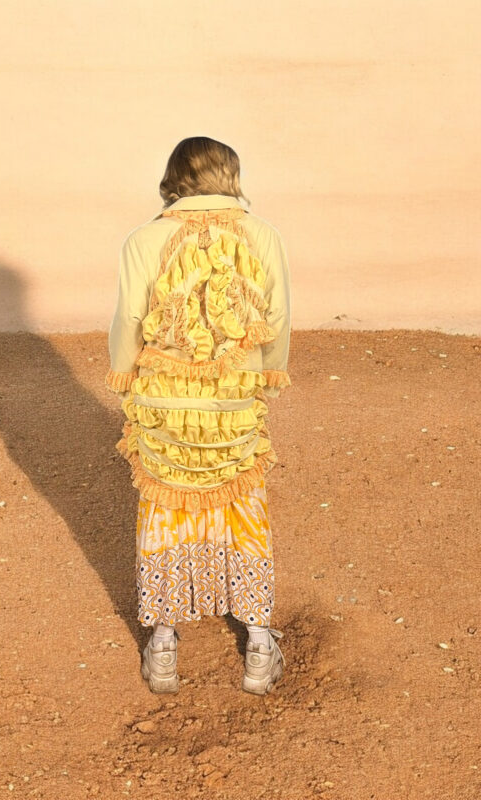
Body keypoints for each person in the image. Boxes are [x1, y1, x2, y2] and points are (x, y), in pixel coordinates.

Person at [105, 136, 291, 695]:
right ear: (230, 175)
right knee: (243, 506)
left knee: (165, 506)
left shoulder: (143, 239)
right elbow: (276, 317)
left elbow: (129, 321)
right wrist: (266, 373)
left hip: (164, 400)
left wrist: (127, 381)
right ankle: (259, 647)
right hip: (234, 401)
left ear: (174, 178)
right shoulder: (262, 236)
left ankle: (163, 645)